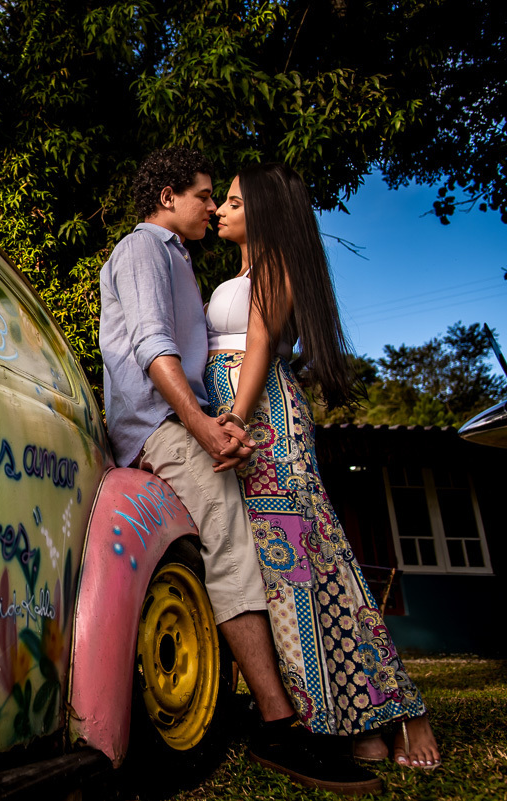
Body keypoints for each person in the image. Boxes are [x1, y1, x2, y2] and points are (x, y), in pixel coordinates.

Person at [100, 148, 382, 794]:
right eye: (205, 195)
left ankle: (277, 703)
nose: (212, 207)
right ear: (169, 196)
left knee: (237, 547)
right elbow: (153, 350)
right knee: (229, 538)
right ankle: (278, 723)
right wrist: (203, 426)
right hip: (159, 427)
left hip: (188, 422)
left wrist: (219, 422)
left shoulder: (179, 261)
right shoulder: (144, 250)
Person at [207, 161, 441, 770]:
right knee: (277, 575)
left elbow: (258, 344)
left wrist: (233, 415)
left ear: (262, 209)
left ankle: (397, 707)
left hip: (265, 422)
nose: (221, 210)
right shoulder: (239, 272)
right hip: (245, 419)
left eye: (233, 201)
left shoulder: (276, 263)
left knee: (307, 569)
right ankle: (347, 717)